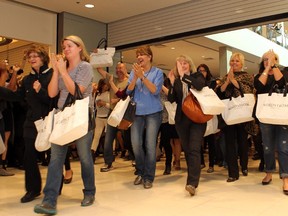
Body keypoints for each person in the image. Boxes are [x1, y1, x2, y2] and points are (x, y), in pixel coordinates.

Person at [34, 35, 95, 215]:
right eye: (64, 46)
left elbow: (77, 91)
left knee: (85, 157)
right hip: (63, 117)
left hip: (81, 116)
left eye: (69, 46)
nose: (66, 49)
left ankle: (89, 192)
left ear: (79, 48)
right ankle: (49, 200)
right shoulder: (62, 68)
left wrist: (63, 72)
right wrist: (56, 71)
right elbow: (52, 93)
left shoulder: (85, 67)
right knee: (55, 159)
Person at [0, 47, 56, 202]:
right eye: (30, 56)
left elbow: (53, 100)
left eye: (35, 56)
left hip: (49, 121)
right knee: (29, 156)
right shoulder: (26, 79)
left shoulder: (51, 75)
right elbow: (18, 97)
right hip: (31, 122)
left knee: (54, 156)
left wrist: (40, 91)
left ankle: (55, 186)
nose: (32, 59)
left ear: (43, 58)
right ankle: (33, 189)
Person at [167, 55, 206, 196]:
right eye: (180, 64)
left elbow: (200, 85)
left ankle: (192, 183)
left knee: (195, 149)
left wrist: (184, 76)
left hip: (197, 118)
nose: (182, 66)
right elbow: (171, 99)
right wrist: (172, 83)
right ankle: (192, 178)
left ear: (190, 65)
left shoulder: (197, 76)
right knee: (188, 150)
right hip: (182, 120)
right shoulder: (177, 81)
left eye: (185, 63)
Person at [127, 45, 163, 189]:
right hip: (137, 112)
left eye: (142, 54)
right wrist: (135, 77)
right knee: (136, 144)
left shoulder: (158, 72)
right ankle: (140, 172)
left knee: (149, 145)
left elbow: (155, 90)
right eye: (138, 55)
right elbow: (128, 91)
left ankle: (148, 177)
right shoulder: (133, 72)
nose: (139, 57)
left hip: (154, 112)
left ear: (149, 57)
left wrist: (142, 77)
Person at [254, 50, 288, 195]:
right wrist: (267, 69)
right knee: (267, 147)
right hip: (266, 116)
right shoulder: (259, 75)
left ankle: (285, 177)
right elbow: (259, 87)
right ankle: (269, 172)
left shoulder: (283, 72)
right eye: (266, 59)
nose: (268, 61)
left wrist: (273, 67)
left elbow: (282, 82)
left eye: (272, 59)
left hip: (282, 115)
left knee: (283, 148)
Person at [217, 52, 254, 182]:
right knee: (229, 143)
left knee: (243, 142)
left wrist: (234, 81)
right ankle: (233, 173)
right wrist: (227, 81)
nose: (234, 63)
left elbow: (247, 90)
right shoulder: (224, 77)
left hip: (242, 113)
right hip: (229, 113)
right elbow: (219, 92)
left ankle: (244, 166)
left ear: (242, 63)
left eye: (237, 61)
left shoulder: (247, 76)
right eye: (232, 61)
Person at [96, 62, 129, 172]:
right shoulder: (112, 79)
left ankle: (136, 159)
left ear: (125, 69)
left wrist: (118, 99)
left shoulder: (129, 80)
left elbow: (129, 94)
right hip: (113, 113)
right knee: (108, 138)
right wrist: (99, 56)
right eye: (117, 68)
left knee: (130, 139)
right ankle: (108, 163)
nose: (118, 70)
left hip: (126, 114)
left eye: (121, 68)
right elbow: (99, 69)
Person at [197, 64, 217, 173]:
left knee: (211, 140)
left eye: (203, 71)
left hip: (210, 112)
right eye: (199, 71)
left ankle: (211, 164)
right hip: (198, 112)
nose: (201, 72)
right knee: (198, 138)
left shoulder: (212, 82)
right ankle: (201, 162)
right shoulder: (195, 83)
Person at [91, 78, 110, 162]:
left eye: (107, 84)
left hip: (108, 117)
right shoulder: (97, 94)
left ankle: (110, 154)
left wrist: (104, 104)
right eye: (105, 84)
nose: (106, 86)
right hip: (98, 117)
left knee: (109, 137)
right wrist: (98, 103)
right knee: (96, 136)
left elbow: (112, 105)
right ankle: (92, 154)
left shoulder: (110, 93)